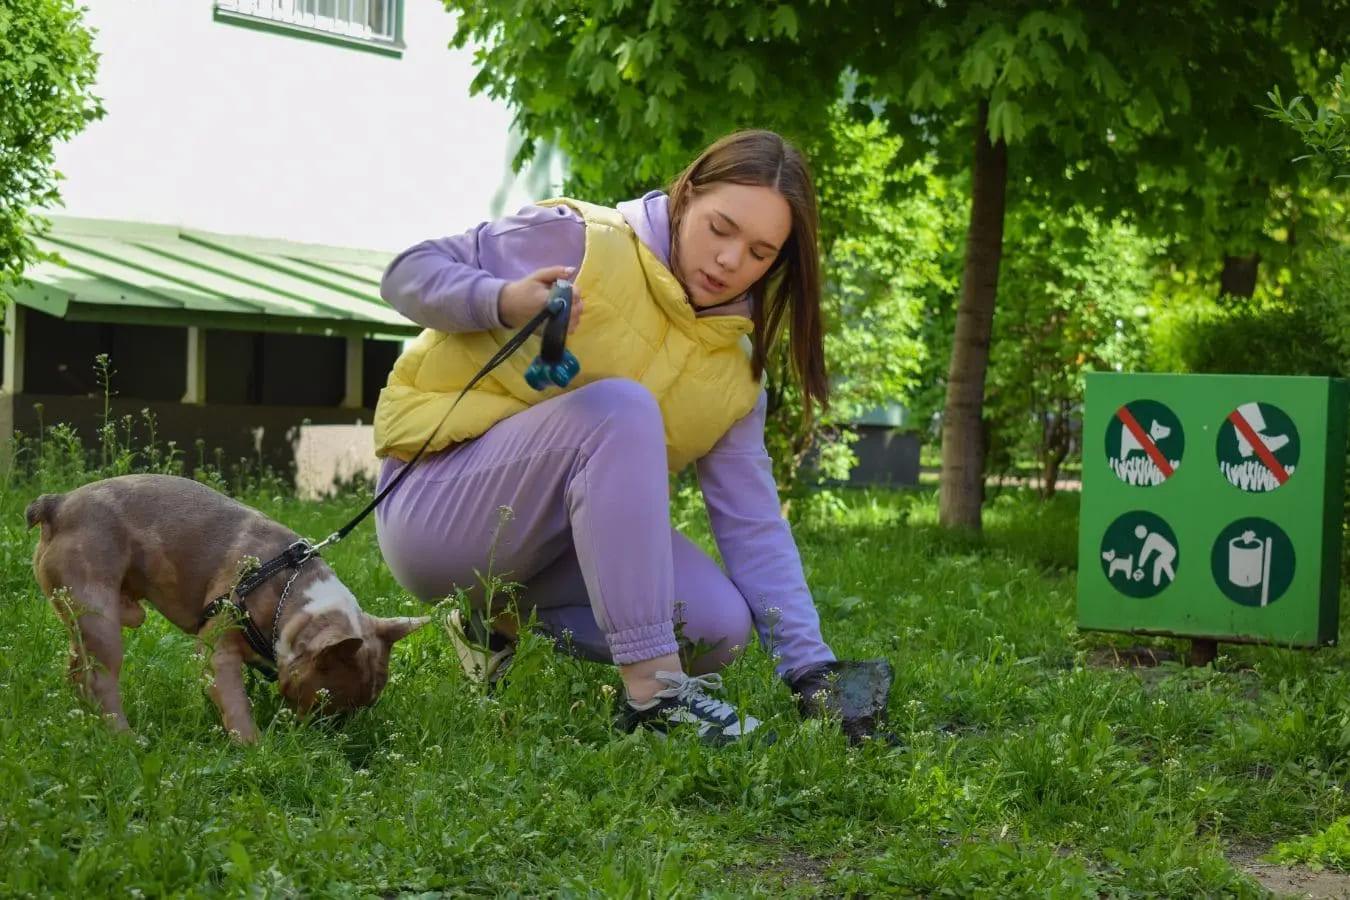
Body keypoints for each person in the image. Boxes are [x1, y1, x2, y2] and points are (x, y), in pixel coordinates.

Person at [372, 129, 891, 744]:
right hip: (436, 509)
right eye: (720, 228)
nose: (730, 261)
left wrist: (809, 669)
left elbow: (752, 523)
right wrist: (502, 300)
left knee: (718, 626)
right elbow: (406, 274)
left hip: (549, 549)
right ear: (686, 194)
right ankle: (656, 698)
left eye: (759, 252)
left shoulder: (734, 370)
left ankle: (491, 623)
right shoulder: (582, 241)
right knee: (621, 409)